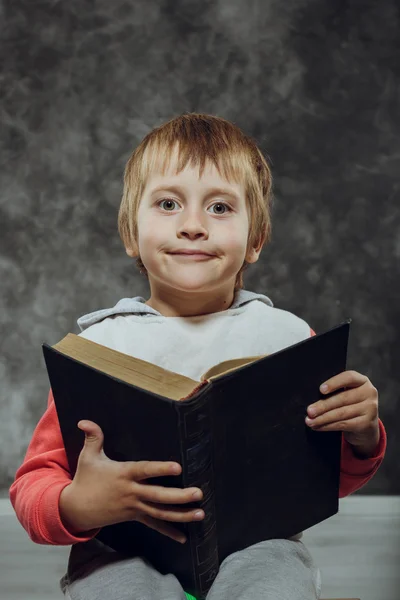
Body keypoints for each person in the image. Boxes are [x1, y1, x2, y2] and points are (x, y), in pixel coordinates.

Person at [9, 113, 386, 600]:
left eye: (220, 208)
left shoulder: (288, 338)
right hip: (120, 550)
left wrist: (361, 436)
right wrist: (80, 504)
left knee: (277, 588)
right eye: (168, 203)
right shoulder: (98, 350)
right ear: (131, 234)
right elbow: (34, 485)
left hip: (258, 544)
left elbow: (318, 482)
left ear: (255, 240)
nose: (192, 226)